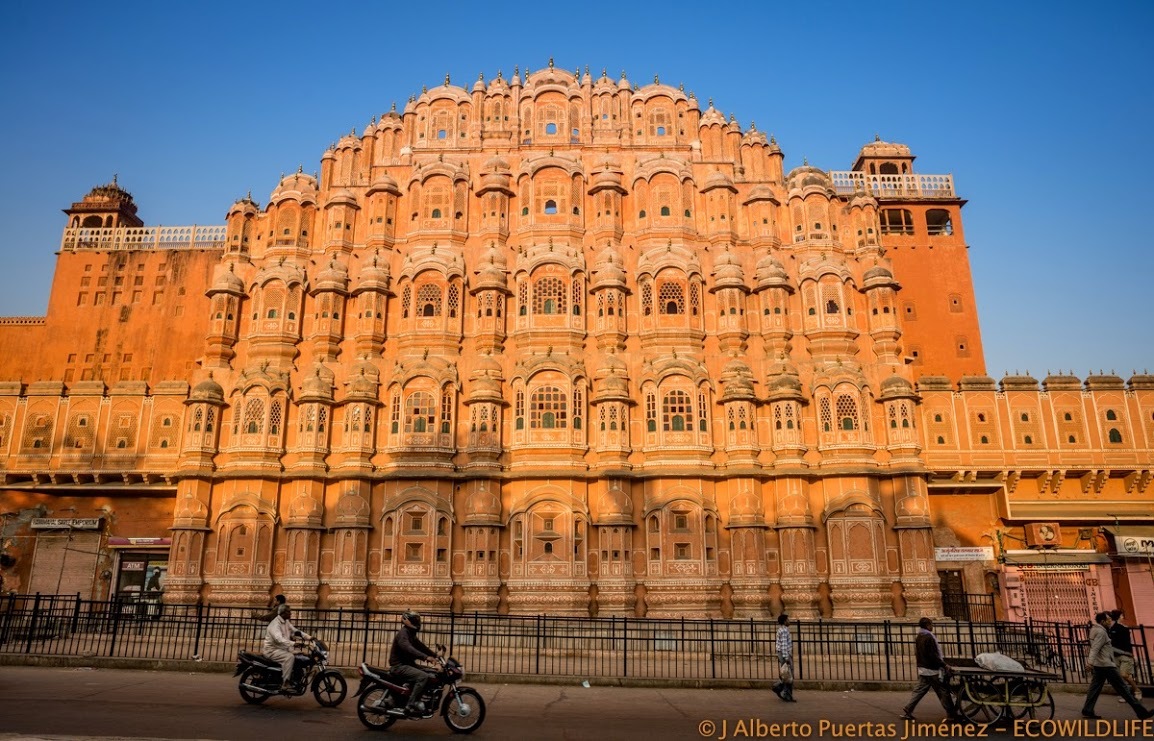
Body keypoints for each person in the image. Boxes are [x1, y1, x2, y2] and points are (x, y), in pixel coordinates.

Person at [1082, 611, 1152, 719]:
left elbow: (1106, 647)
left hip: (1099, 665)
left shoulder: (1094, 630)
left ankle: (1087, 709)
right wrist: (1090, 662)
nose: (1110, 621)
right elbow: (1095, 648)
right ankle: (1142, 712)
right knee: (1123, 689)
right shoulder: (1101, 632)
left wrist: (1123, 653)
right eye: (1108, 620)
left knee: (1094, 688)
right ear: (1102, 621)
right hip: (1106, 666)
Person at [901, 617, 960, 722]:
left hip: (923, 668)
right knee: (943, 692)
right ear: (928, 625)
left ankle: (908, 708)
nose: (932, 626)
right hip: (932, 669)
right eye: (931, 624)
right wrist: (943, 665)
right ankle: (951, 714)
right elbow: (933, 655)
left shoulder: (919, 636)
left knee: (920, 690)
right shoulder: (929, 638)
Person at [388, 609, 438, 716]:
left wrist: (435, 655)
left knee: (431, 672)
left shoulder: (410, 633)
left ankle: (420, 698)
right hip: (399, 666)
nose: (417, 622)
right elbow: (408, 648)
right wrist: (425, 658)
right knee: (423, 676)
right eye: (414, 620)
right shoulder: (404, 634)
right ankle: (410, 705)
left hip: (408, 664)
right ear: (407, 620)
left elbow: (421, 646)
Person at [263, 603, 309, 691]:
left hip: (282, 649)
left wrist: (308, 637)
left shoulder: (286, 622)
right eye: (289, 612)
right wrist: (293, 644)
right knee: (289, 657)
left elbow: (295, 631)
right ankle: (285, 683)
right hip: (272, 651)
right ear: (283, 613)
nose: (290, 614)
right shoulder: (275, 624)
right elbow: (279, 639)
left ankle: (295, 677)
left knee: (300, 654)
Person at [1109, 609, 1142, 703]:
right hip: (1116, 655)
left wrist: (1130, 654)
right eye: (1122, 615)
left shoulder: (1124, 628)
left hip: (1125, 655)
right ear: (1119, 616)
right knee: (1120, 677)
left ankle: (1137, 690)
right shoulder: (1112, 628)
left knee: (1125, 675)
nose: (1123, 617)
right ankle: (1127, 695)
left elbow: (1127, 643)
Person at [772, 613, 796, 702]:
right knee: (788, 675)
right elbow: (784, 645)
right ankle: (785, 693)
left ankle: (784, 691)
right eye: (788, 619)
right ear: (784, 621)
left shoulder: (781, 630)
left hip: (781, 654)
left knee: (785, 674)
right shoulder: (784, 630)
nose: (789, 621)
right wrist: (786, 659)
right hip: (784, 655)